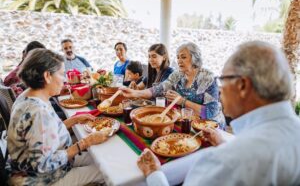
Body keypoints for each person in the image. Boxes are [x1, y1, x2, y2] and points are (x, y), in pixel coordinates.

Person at [137, 41, 300, 186]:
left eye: (223, 80)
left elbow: (213, 113)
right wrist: (224, 144)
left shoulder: (228, 159)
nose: (220, 89)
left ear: (242, 86)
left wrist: (153, 174)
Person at [7, 49, 111, 185]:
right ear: (47, 76)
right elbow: (42, 165)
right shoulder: (38, 112)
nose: (65, 79)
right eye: (62, 74)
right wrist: (85, 143)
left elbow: (47, 133)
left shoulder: (30, 95)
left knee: (103, 158)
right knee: (107, 172)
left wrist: (73, 120)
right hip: (38, 179)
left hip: (50, 159)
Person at [121, 42, 224, 125]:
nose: (179, 60)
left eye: (183, 57)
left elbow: (211, 112)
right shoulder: (177, 74)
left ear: (195, 59)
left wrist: (183, 101)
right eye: (178, 57)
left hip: (210, 125)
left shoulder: (208, 78)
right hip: (187, 122)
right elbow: (158, 89)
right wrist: (134, 93)